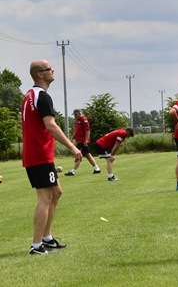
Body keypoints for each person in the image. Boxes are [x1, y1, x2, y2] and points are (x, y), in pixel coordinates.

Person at [22, 59, 82, 255]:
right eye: (49, 69)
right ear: (40, 74)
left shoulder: (29, 95)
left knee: (56, 193)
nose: (53, 70)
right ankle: (37, 245)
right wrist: (73, 147)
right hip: (39, 155)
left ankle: (46, 237)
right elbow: (50, 125)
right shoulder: (42, 96)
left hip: (38, 154)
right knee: (45, 198)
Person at [64, 108, 101, 176]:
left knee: (79, 155)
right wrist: (72, 138)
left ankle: (73, 171)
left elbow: (87, 130)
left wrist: (86, 140)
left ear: (79, 113)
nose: (74, 116)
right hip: (79, 141)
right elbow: (76, 131)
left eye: (75, 114)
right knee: (87, 155)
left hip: (82, 141)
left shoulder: (84, 120)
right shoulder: (77, 121)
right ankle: (96, 168)